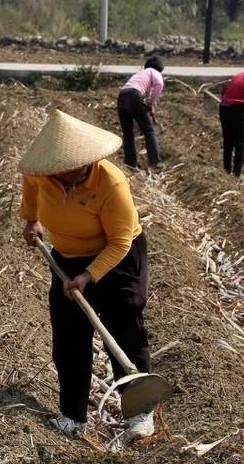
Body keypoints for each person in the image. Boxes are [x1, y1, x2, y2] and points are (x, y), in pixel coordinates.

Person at [18, 110, 155, 441]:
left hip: (117, 257)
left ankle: (140, 412)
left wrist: (89, 276)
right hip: (67, 257)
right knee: (68, 335)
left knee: (124, 327)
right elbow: (31, 190)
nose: (62, 174)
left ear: (86, 161)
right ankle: (73, 415)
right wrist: (30, 219)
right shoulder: (43, 174)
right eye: (57, 169)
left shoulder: (109, 183)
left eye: (69, 168)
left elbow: (120, 241)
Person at [117, 56, 164, 169]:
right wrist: (151, 103)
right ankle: (155, 162)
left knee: (128, 133)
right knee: (148, 130)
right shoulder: (154, 72)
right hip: (134, 95)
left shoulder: (140, 74)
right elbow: (159, 84)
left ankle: (130, 163)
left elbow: (144, 92)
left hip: (122, 96)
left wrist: (148, 103)